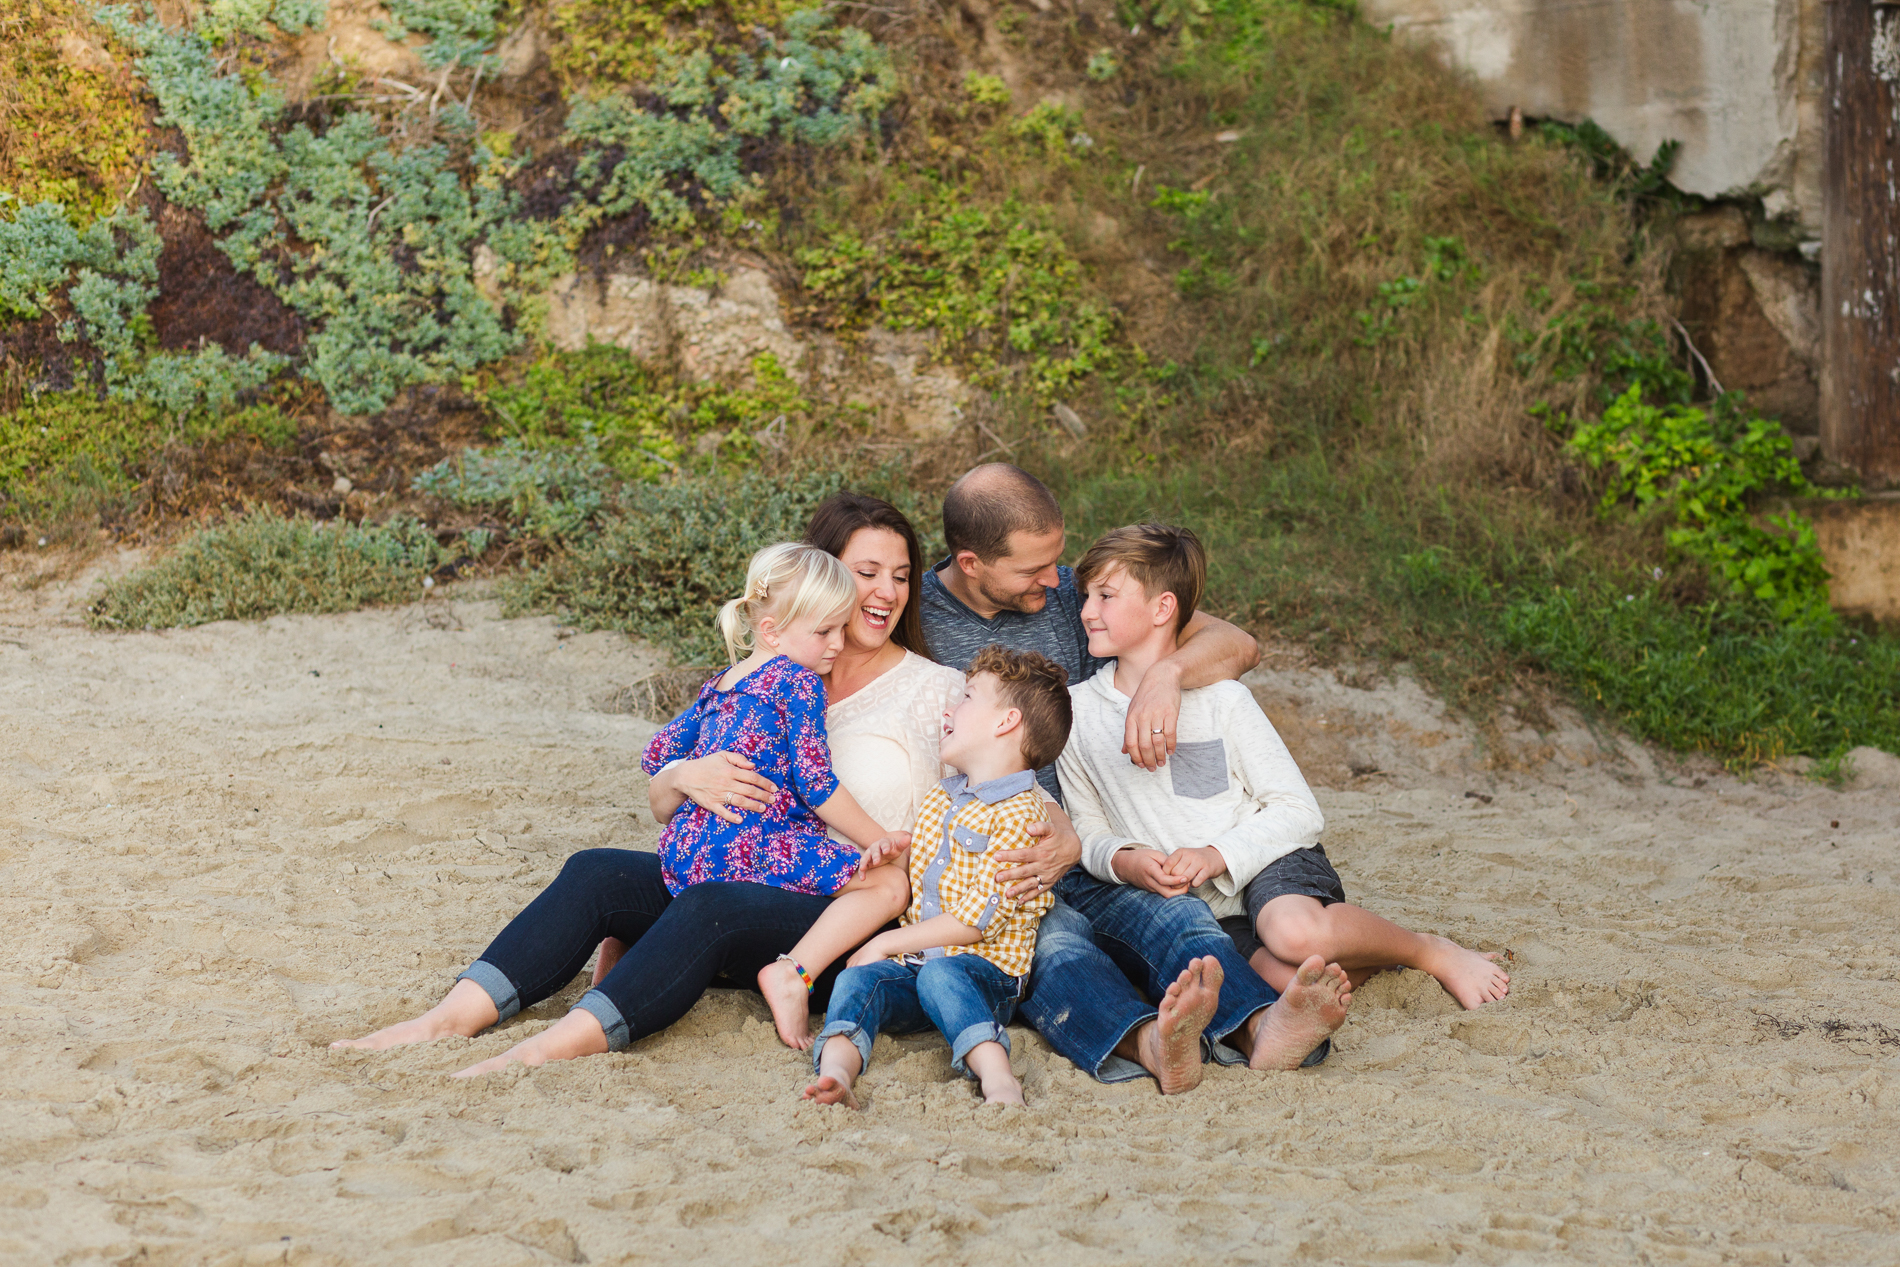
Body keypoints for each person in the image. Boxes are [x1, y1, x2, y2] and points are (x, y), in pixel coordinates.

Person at [332, 493, 1079, 1074]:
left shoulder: (938, 691)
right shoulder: (765, 679)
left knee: (712, 906)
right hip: (751, 860)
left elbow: (1018, 782)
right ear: (812, 583)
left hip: (847, 904)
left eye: (900, 575)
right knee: (597, 871)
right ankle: (450, 1017)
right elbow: (662, 794)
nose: (883, 592)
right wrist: (687, 774)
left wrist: (1066, 839)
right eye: (864, 572)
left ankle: (560, 1041)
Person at [919, 465, 1343, 1092]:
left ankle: (1259, 1030)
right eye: (1034, 569)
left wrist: (1165, 676)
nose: (1054, 582)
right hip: (995, 858)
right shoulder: (915, 614)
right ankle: (1151, 1044)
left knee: (1178, 921)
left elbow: (1235, 642)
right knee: (1058, 950)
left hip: (1089, 850)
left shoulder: (1070, 595)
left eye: (1057, 563)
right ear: (971, 562)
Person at [1064, 524, 1510, 1009]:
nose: (1086, 611)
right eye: (1086, 595)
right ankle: (1378, 956)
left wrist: (1217, 854)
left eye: (1105, 596)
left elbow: (1299, 811)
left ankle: (1428, 949)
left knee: (1294, 936)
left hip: (1265, 860)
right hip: (1199, 906)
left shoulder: (1224, 700)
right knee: (1282, 987)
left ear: (1163, 608)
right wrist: (1124, 859)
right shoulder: (1077, 713)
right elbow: (1085, 827)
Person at [803, 646, 1070, 1109]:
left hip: (985, 974)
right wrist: (889, 853)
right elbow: (922, 879)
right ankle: (838, 1074)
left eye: (967, 698)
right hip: (918, 967)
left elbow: (976, 920)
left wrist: (885, 943)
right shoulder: (940, 800)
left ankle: (997, 1076)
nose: (950, 708)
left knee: (942, 975)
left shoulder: (1022, 818)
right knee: (858, 981)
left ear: (1005, 722)